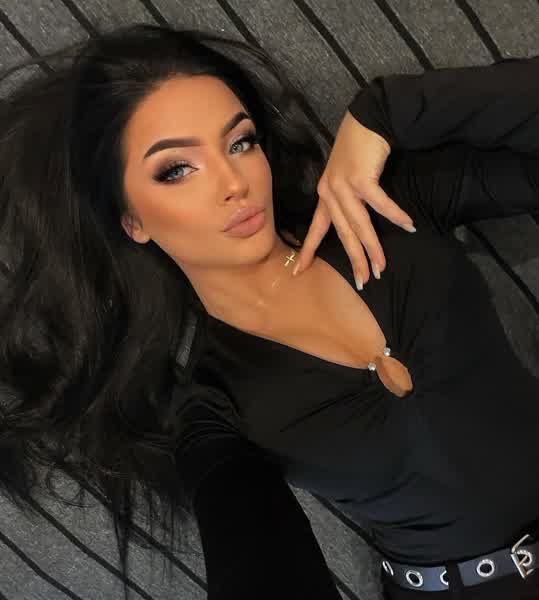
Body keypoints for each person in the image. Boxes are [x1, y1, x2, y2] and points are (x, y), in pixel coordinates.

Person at [0, 21, 537, 600]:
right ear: (133, 222)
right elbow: (254, 557)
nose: (234, 182)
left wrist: (387, 110)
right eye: (177, 169)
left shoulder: (387, 205)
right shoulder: (213, 410)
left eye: (240, 142)